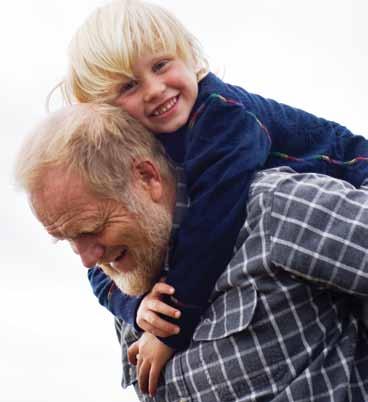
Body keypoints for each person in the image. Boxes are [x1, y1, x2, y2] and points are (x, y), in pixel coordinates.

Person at [15, 103, 368, 401]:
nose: (89, 259)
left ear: (147, 178)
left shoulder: (277, 208)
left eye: (91, 229)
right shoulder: (130, 285)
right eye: (68, 240)